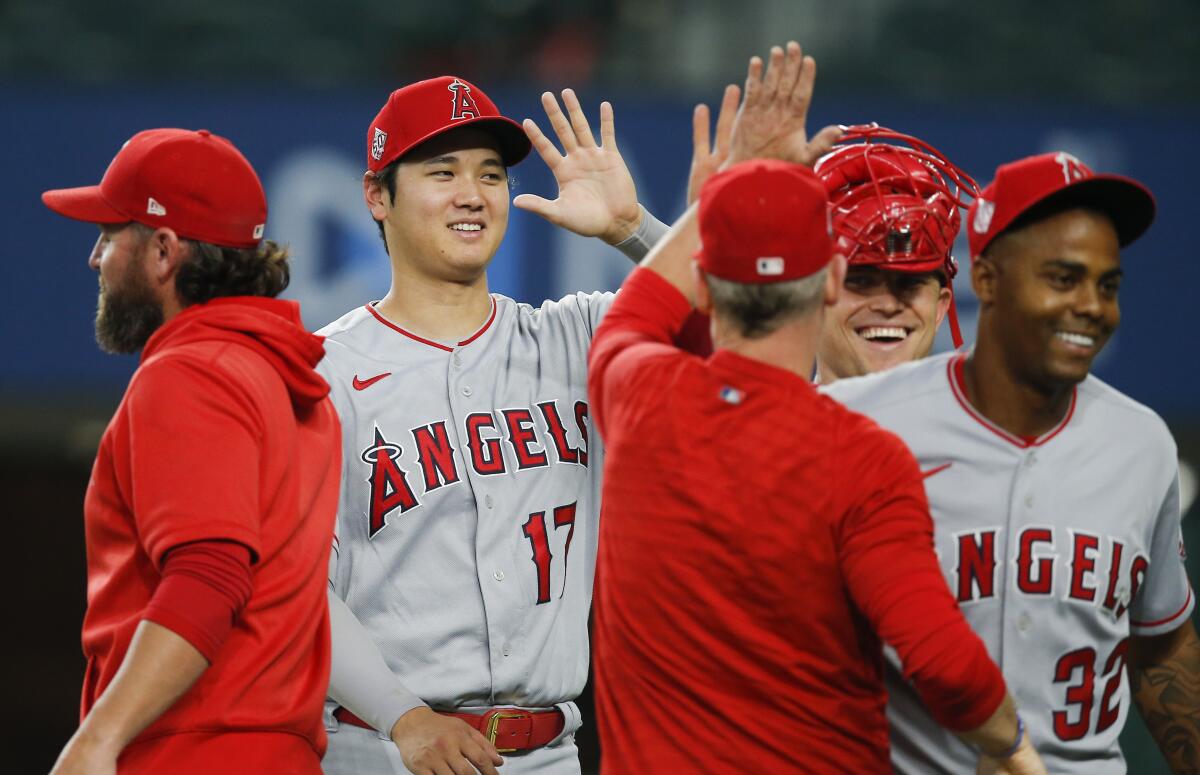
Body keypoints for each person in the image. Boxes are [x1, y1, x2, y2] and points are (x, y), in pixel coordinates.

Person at [588, 42, 1045, 774]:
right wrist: (1019, 748)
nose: (888, 298)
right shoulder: (862, 459)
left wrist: (730, 190)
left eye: (911, 280)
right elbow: (948, 665)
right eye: (865, 275)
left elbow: (643, 316)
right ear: (832, 279)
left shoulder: (635, 393)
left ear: (707, 284)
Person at [316, 75, 677, 775]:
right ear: (376, 196)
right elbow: (294, 584)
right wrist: (404, 716)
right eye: (441, 171)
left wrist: (633, 229)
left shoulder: (580, 337)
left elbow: (756, 337)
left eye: (490, 173)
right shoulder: (322, 372)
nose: (472, 193)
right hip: (384, 750)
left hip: (549, 754)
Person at [824, 150, 1200, 773]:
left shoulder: (1143, 444)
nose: (1091, 306)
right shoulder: (852, 426)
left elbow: (1161, 646)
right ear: (988, 281)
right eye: (1062, 278)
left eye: (1107, 286)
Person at [41, 128, 341, 774]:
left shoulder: (191, 372)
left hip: (192, 750)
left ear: (163, 251)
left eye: (110, 233)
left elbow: (209, 576)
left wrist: (98, 738)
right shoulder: (281, 376)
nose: (95, 258)